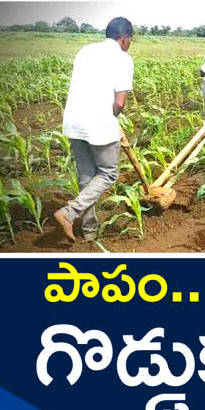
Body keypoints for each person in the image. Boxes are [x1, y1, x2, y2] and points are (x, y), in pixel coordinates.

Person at [54, 17, 135, 242]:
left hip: (74, 121)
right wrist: (111, 120)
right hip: (98, 123)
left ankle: (89, 232)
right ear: (124, 38)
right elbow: (119, 103)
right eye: (130, 40)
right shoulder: (123, 58)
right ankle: (68, 213)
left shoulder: (85, 51)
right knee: (108, 173)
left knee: (87, 177)